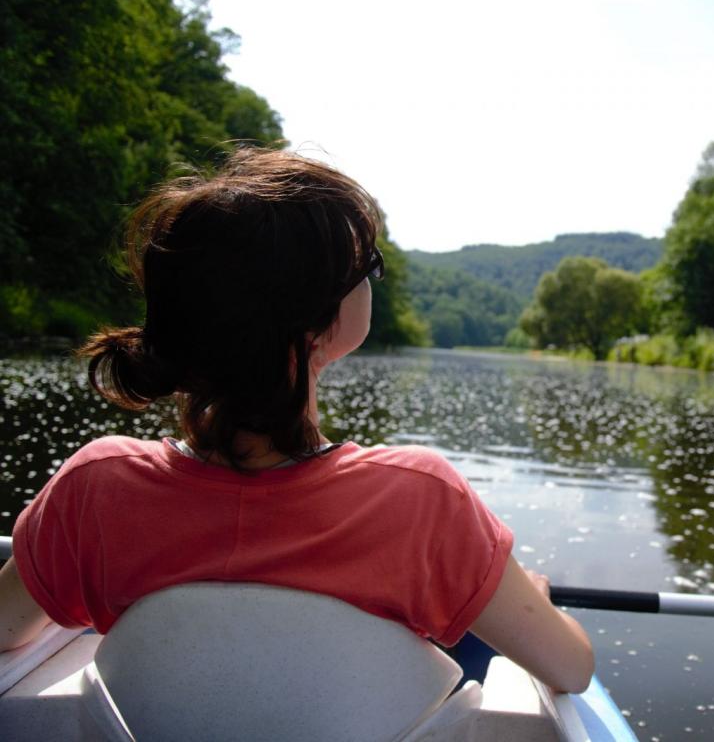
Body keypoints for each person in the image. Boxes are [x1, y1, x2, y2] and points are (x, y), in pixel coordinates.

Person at [0, 148, 594, 694]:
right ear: (315, 320)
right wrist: (532, 597)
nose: (371, 280)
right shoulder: (422, 500)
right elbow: (572, 669)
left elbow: (5, 632)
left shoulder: (93, 489)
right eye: (370, 266)